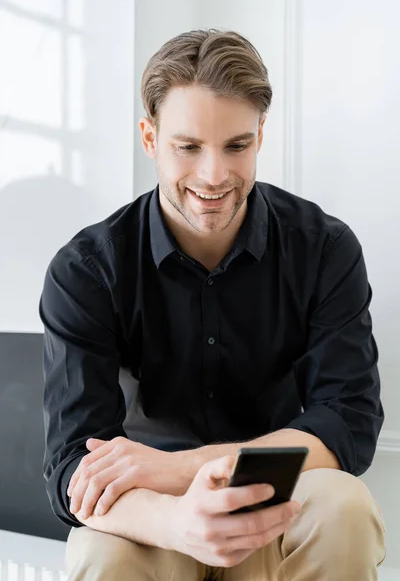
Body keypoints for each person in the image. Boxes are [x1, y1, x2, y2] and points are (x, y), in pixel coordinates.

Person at [39, 29, 386, 581]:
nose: (214, 176)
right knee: (97, 552)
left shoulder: (324, 248)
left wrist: (181, 467)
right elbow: (70, 468)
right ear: (149, 137)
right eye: (188, 147)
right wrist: (178, 520)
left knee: (343, 505)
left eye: (236, 146)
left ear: (261, 135)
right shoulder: (86, 269)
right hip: (153, 514)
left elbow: (348, 422)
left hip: (275, 497)